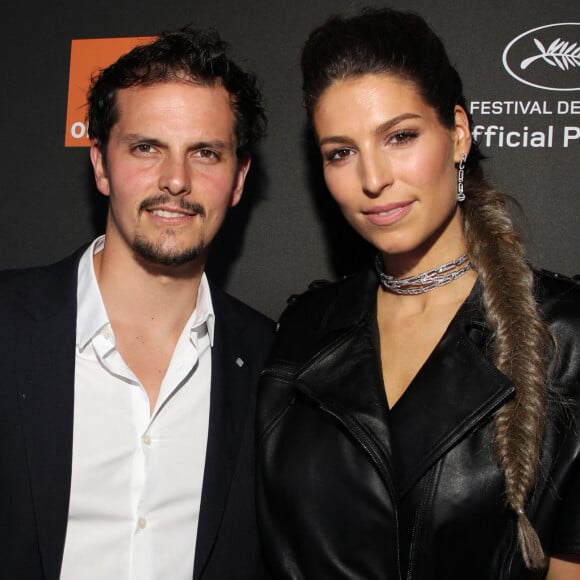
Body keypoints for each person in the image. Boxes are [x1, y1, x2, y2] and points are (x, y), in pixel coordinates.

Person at [257, 7, 580, 580]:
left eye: (400, 137)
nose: (373, 177)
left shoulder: (563, 337)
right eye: (341, 152)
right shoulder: (304, 328)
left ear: (457, 134)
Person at [0, 28, 273, 580]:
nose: (176, 180)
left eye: (205, 152)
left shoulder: (275, 362)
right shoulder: (5, 326)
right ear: (100, 164)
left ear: (239, 179)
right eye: (146, 148)